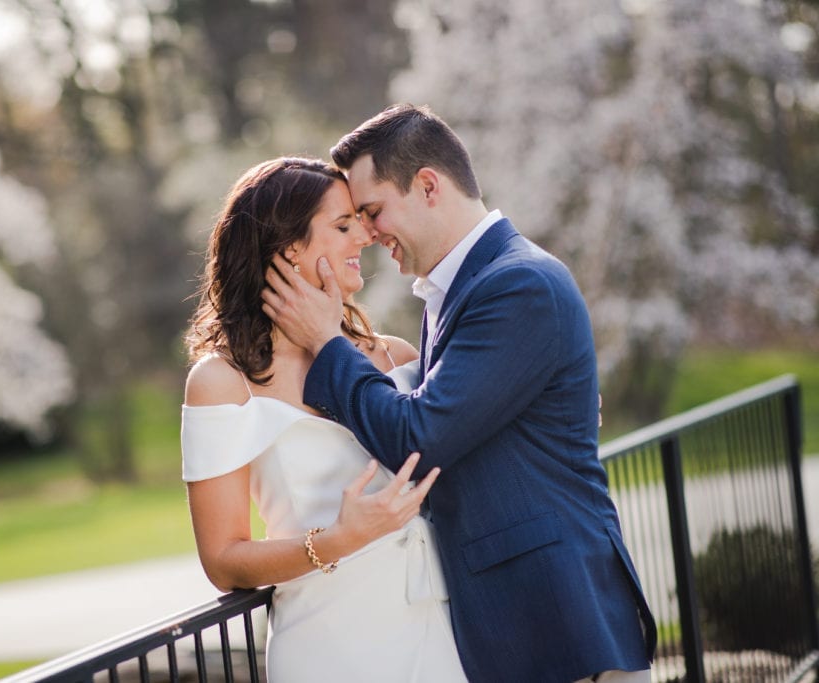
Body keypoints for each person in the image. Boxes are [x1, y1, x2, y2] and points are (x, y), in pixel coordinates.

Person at [262, 105, 657, 682]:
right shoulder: (457, 290)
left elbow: (418, 439)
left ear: (427, 185)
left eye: (372, 212)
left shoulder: (518, 284)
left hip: (562, 624)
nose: (368, 234)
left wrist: (326, 341)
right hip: (519, 627)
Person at [181, 156, 469, 682]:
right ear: (289, 249)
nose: (365, 235)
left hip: (441, 634)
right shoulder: (223, 383)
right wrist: (336, 540)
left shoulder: (399, 358)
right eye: (342, 226)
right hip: (332, 648)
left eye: (361, 219)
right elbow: (223, 559)